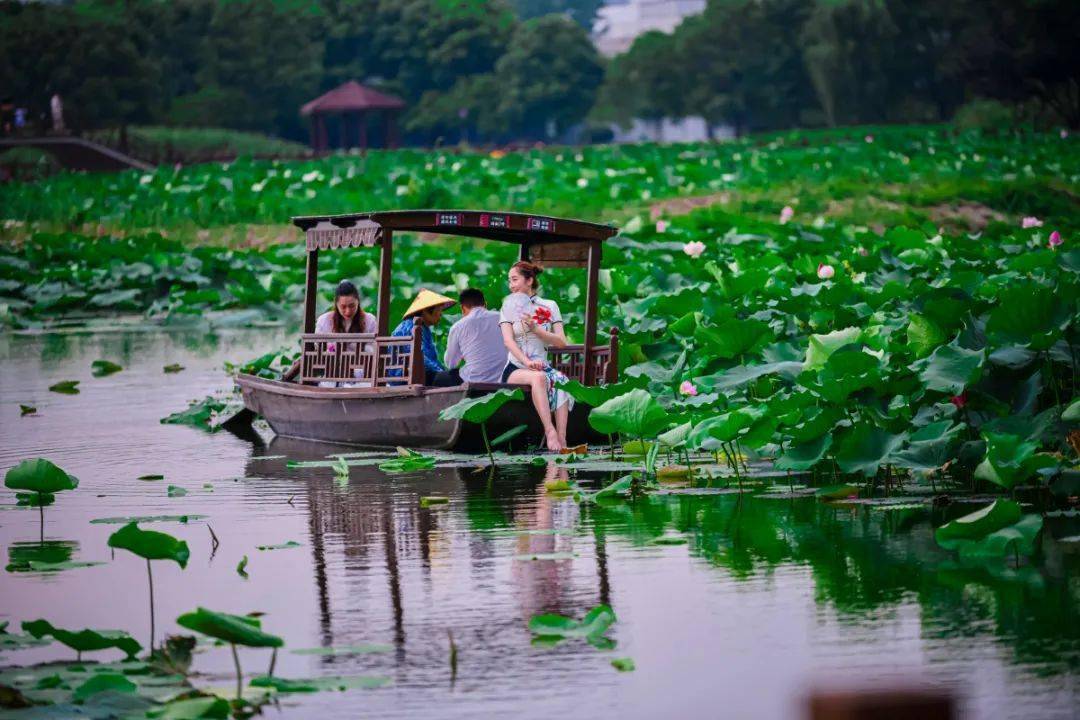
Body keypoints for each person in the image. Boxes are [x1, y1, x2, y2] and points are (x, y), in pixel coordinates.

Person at [499, 261, 572, 452]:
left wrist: (537, 330)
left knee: (561, 380)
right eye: (509, 281)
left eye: (515, 280)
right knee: (539, 377)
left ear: (529, 280)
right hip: (517, 368)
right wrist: (528, 362)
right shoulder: (507, 306)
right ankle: (550, 432)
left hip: (543, 366)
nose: (511, 285)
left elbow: (561, 342)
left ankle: (562, 439)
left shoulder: (549, 306)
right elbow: (508, 341)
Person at [282, 280, 376, 383]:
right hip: (332, 372)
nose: (348, 311)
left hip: (361, 373)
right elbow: (318, 349)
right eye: (343, 307)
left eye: (352, 306)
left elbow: (373, 350)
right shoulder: (324, 321)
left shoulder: (369, 320)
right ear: (336, 303)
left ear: (358, 301)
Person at [392, 289, 457, 386]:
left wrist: (443, 371)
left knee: (456, 374)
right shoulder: (411, 327)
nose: (441, 314)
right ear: (426, 311)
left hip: (422, 374)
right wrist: (440, 372)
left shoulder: (424, 328)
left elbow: (432, 360)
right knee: (457, 376)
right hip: (407, 377)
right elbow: (419, 358)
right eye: (439, 310)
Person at [443, 288, 507, 385]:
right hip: (506, 378)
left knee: (440, 378)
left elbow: (450, 363)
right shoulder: (504, 318)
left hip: (473, 380)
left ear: (462, 308)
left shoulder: (457, 327)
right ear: (485, 304)